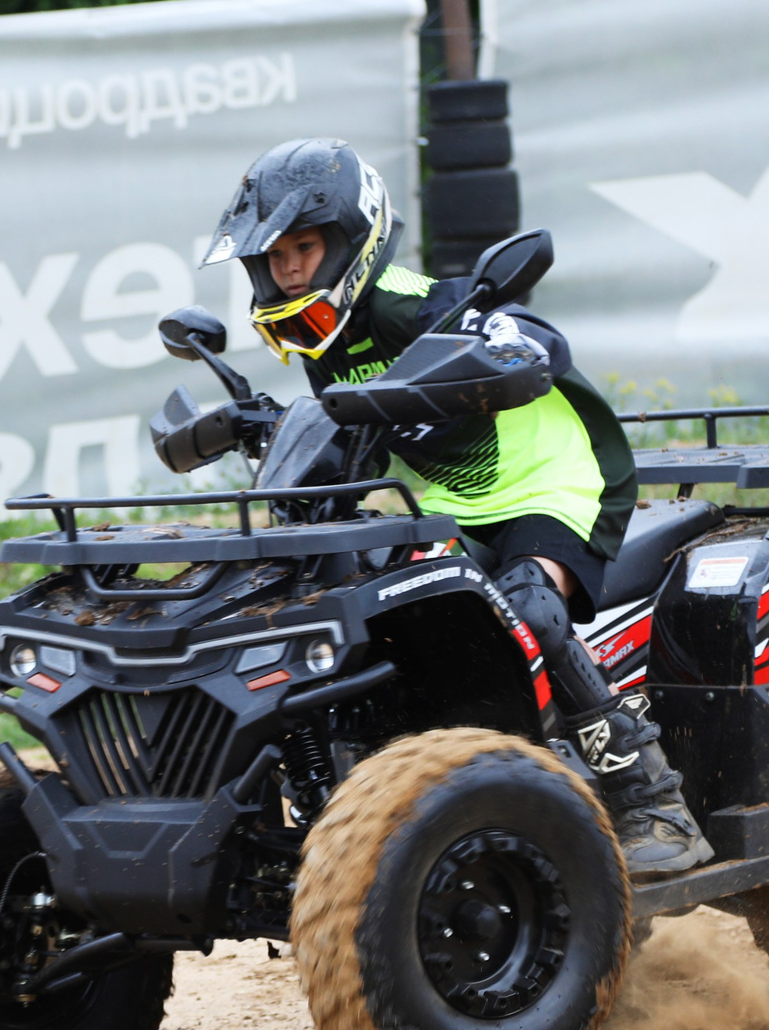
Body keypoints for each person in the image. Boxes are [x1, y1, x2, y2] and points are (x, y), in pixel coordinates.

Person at [201, 136, 714, 875]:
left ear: (350, 241)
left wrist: (508, 343)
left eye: (304, 248)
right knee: (374, 606)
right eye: (274, 255)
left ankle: (654, 801)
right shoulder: (324, 342)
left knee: (526, 606)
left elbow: (529, 335)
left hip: (556, 479)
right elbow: (362, 446)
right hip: (455, 500)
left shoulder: (406, 303)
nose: (287, 269)